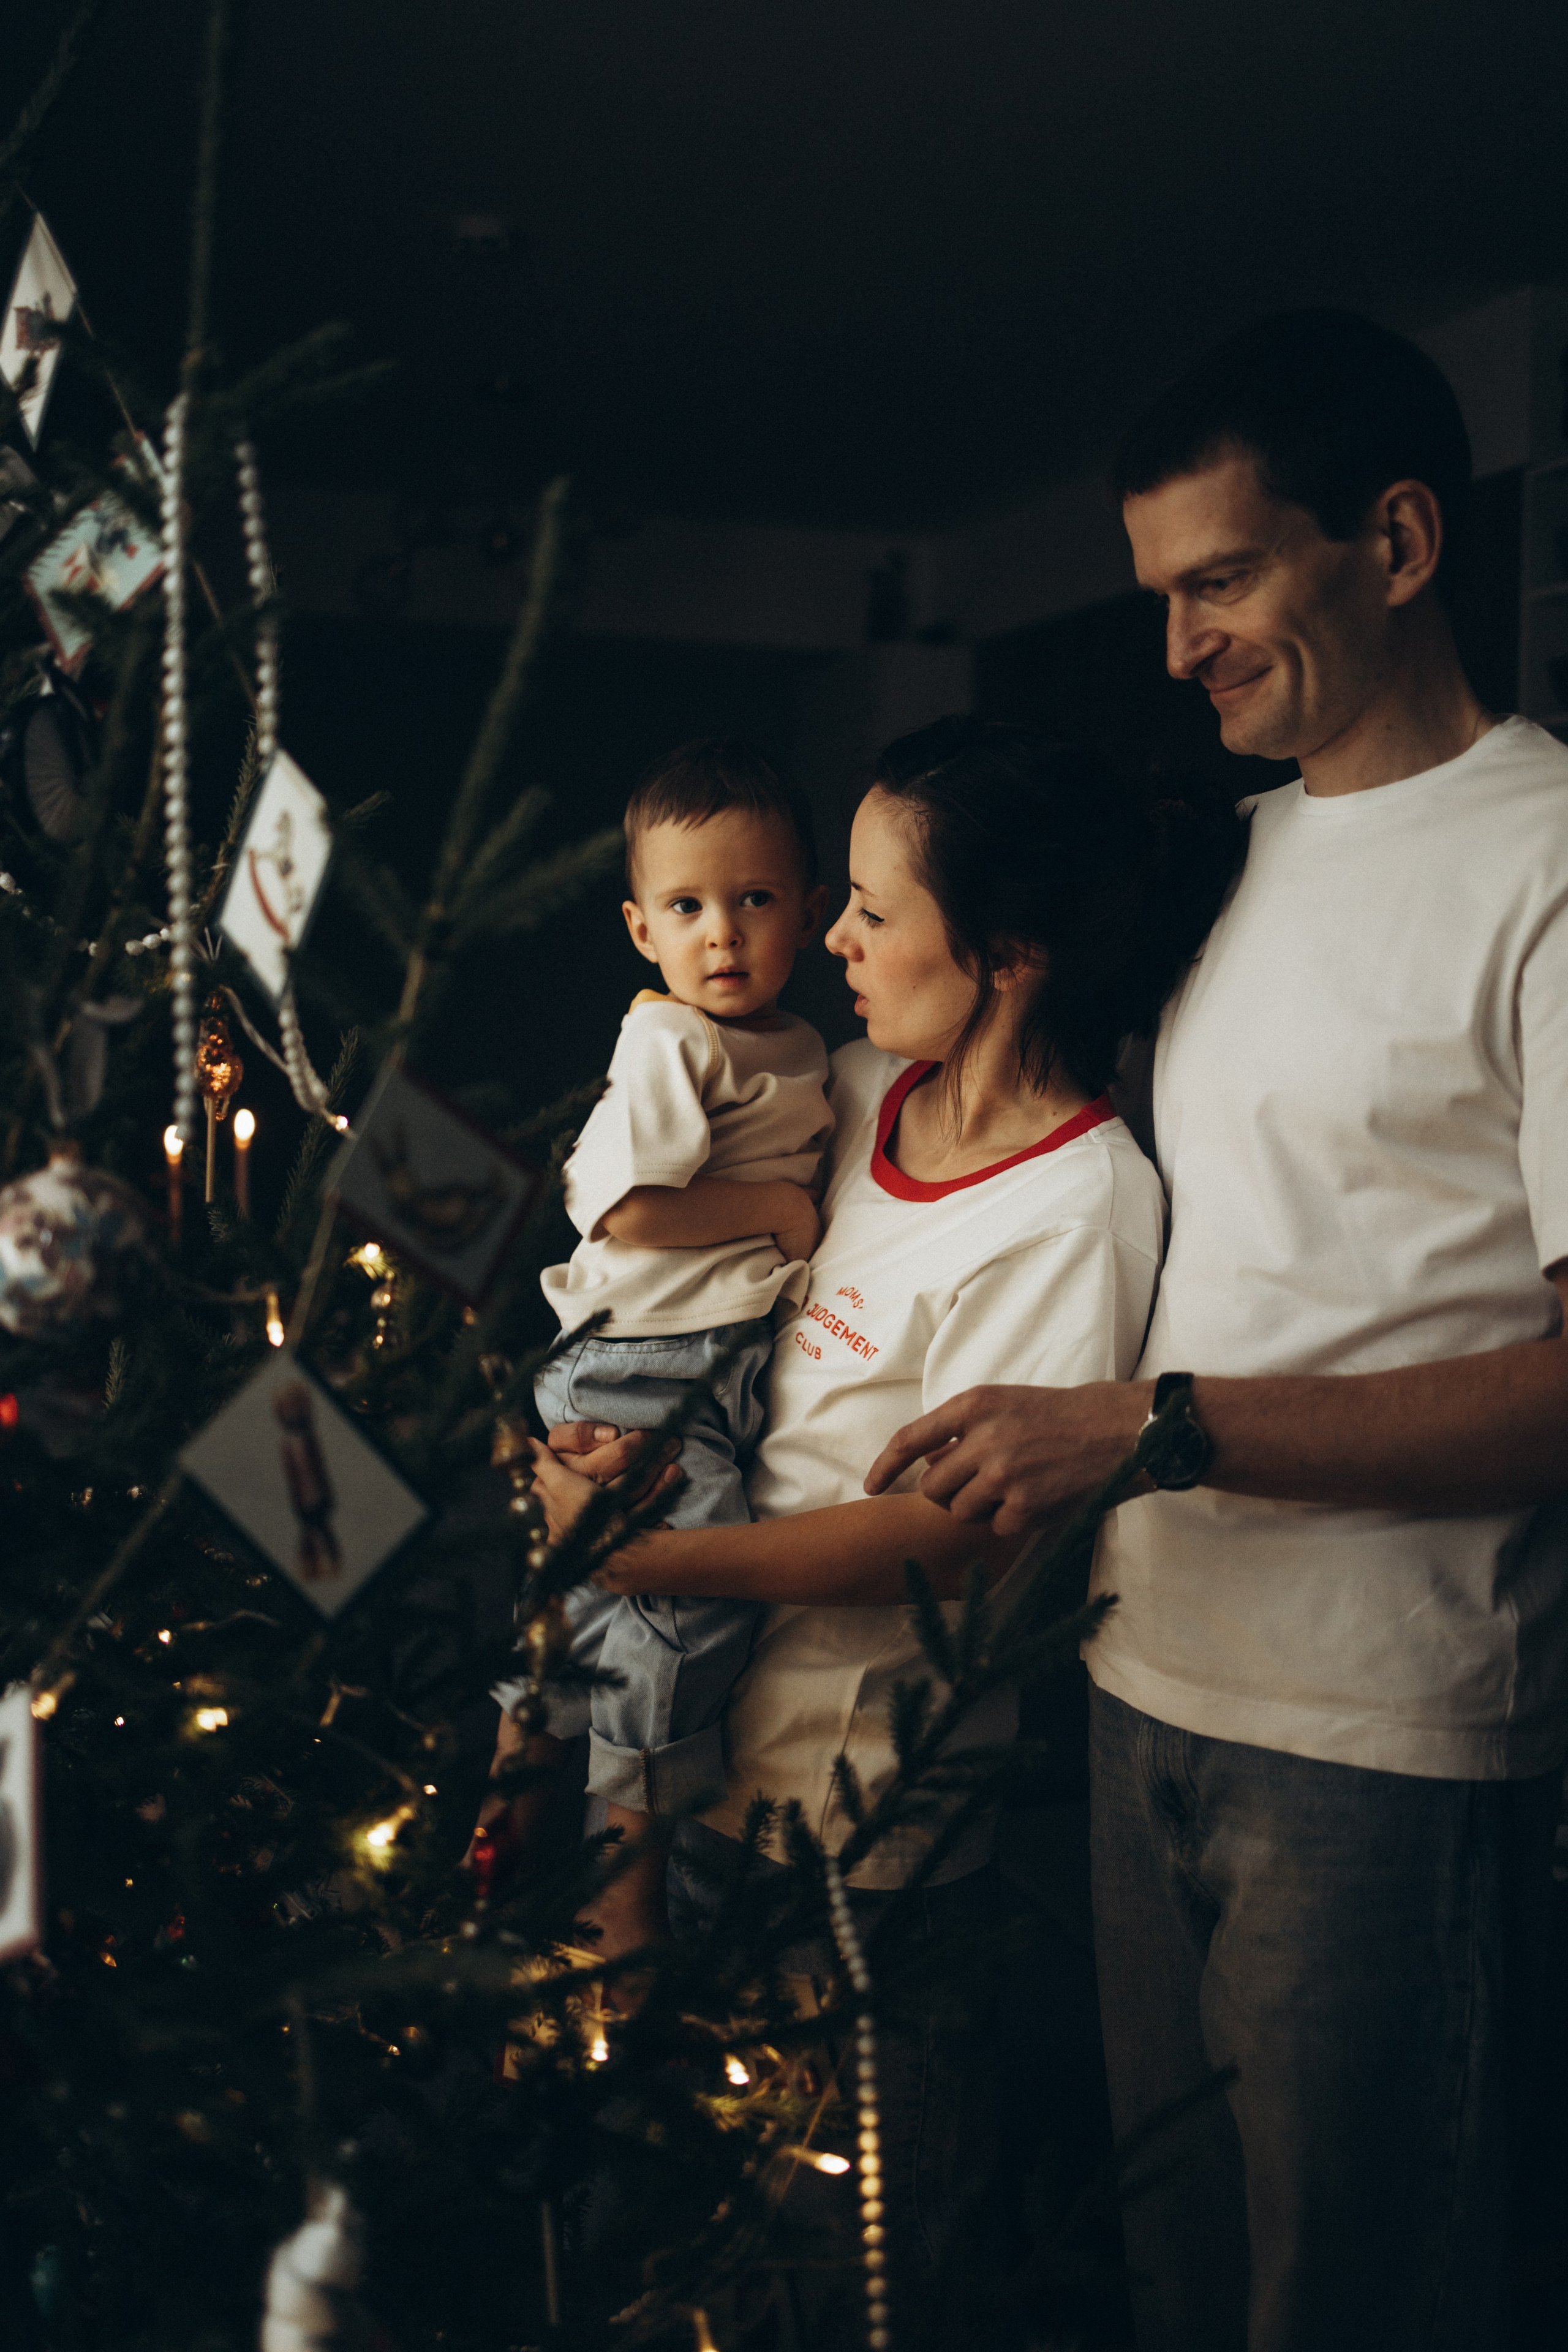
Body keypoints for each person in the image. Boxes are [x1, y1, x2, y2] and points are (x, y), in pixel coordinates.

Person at [867, 312, 1568, 2352]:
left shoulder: (1544, 859)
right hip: (1138, 1685)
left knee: (1348, 2308)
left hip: (1384, 1745)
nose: (1176, 648)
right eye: (1158, 592)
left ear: (1404, 542)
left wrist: (1151, 1429)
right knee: (1173, 2287)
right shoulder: (1216, 863)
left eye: (1223, 582)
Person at [523, 717, 1237, 2334]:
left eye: (864, 908)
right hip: (704, 1771)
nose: (821, 938)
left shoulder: (1080, 1206)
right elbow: (670, 1279)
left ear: (1007, 953)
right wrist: (592, 1442)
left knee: (852, 2280)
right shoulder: (850, 1091)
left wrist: (631, 1559)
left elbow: (944, 1538)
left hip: (870, 1844)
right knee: (690, 2250)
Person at [494, 739, 832, 1954]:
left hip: (694, 1361)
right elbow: (622, 1207)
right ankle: (619, 1894)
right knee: (681, 1602)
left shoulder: (791, 1046)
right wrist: (778, 1216)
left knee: (592, 1598)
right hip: (641, 1360)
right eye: (687, 908)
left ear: (811, 908)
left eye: (752, 901)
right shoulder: (668, 1044)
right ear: (641, 928)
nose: (722, 936)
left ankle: (513, 1798)